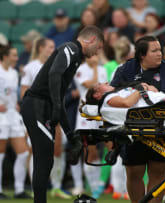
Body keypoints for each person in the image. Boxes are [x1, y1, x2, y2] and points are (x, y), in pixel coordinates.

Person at [20, 25, 104, 203]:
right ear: (92, 40)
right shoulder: (71, 48)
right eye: (99, 47)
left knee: (47, 159)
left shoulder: (76, 58)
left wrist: (69, 134)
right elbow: (54, 73)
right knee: (44, 157)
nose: (97, 52)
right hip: (36, 105)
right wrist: (57, 105)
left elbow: (59, 99)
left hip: (43, 107)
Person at [110, 35, 165, 203]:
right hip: (133, 129)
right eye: (154, 51)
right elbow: (113, 95)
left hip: (162, 129)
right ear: (142, 55)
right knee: (134, 172)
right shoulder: (126, 70)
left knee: (158, 171)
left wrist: (160, 95)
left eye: (160, 49)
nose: (160, 54)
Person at [74, 54, 107, 198]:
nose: (94, 58)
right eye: (91, 56)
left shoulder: (102, 69)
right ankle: (92, 186)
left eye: (95, 55)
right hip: (86, 114)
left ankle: (97, 185)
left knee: (100, 150)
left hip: (100, 113)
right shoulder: (81, 69)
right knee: (89, 149)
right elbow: (91, 87)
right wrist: (94, 69)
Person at [0, 45, 31, 199]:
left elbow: (11, 93)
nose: (16, 58)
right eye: (13, 55)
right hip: (0, 117)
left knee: (24, 153)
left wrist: (15, 104)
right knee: (0, 155)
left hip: (12, 115)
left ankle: (19, 189)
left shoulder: (13, 73)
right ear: (5, 56)